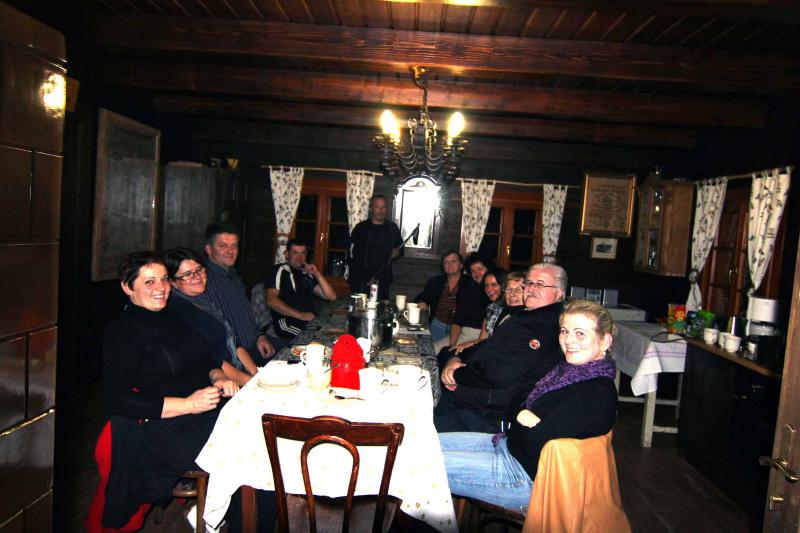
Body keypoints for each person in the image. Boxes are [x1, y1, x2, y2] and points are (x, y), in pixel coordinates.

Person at [438, 299, 619, 512]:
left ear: (605, 341)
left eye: (580, 333)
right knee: (421, 445)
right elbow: (518, 400)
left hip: (527, 477)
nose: (569, 340)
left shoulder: (595, 392)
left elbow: (533, 443)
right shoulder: (564, 372)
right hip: (506, 445)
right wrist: (524, 416)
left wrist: (521, 416)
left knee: (416, 465)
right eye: (564, 331)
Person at [101, 251, 239, 528]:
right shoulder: (124, 330)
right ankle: (213, 513)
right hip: (167, 427)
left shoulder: (171, 315)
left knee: (260, 432)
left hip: (205, 409)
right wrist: (189, 404)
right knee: (244, 452)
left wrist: (218, 377)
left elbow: (205, 360)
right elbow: (116, 399)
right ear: (127, 287)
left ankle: (219, 510)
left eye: (164, 279)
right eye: (149, 282)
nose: (161, 287)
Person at [434, 263, 567, 433]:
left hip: (493, 415)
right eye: (528, 283)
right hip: (475, 398)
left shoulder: (544, 325)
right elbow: (487, 346)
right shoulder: (524, 315)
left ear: (559, 293)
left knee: (418, 432)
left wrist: (457, 374)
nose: (531, 288)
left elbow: (500, 373)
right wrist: (457, 358)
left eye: (540, 284)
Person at [164, 247, 255, 384]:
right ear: (173, 282)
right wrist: (251, 384)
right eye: (187, 274)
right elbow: (212, 359)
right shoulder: (179, 310)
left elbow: (234, 341)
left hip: (238, 372)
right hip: (216, 382)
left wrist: (256, 375)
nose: (197, 277)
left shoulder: (204, 299)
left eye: (199, 270)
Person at [203, 222, 276, 364]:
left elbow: (248, 315)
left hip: (255, 347)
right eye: (223, 246)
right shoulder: (203, 281)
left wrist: (260, 336)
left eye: (234, 246)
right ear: (209, 249)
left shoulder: (234, 277)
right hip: (233, 359)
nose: (230, 251)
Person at [266, 239, 337, 344]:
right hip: (287, 322)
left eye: (303, 253)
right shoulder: (279, 270)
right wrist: (300, 315)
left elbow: (331, 296)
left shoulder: (306, 274)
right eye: (295, 253)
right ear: (287, 254)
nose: (299, 257)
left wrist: (317, 274)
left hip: (308, 321)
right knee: (314, 340)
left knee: (333, 335)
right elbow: (271, 300)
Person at [415, 250, 485, 348]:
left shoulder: (470, 283)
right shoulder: (436, 282)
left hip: (460, 328)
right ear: (443, 266)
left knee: (437, 350)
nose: (449, 265)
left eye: (453, 261)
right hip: (437, 324)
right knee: (422, 346)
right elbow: (422, 297)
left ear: (461, 265)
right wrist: (422, 302)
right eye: (446, 262)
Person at [347, 194, 403, 300]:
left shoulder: (392, 228)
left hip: (383, 279)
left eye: (383, 207)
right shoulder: (361, 228)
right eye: (377, 207)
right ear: (371, 209)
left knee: (380, 307)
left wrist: (397, 252)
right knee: (360, 307)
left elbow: (400, 248)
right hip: (361, 280)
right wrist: (357, 276)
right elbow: (350, 252)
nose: (381, 210)